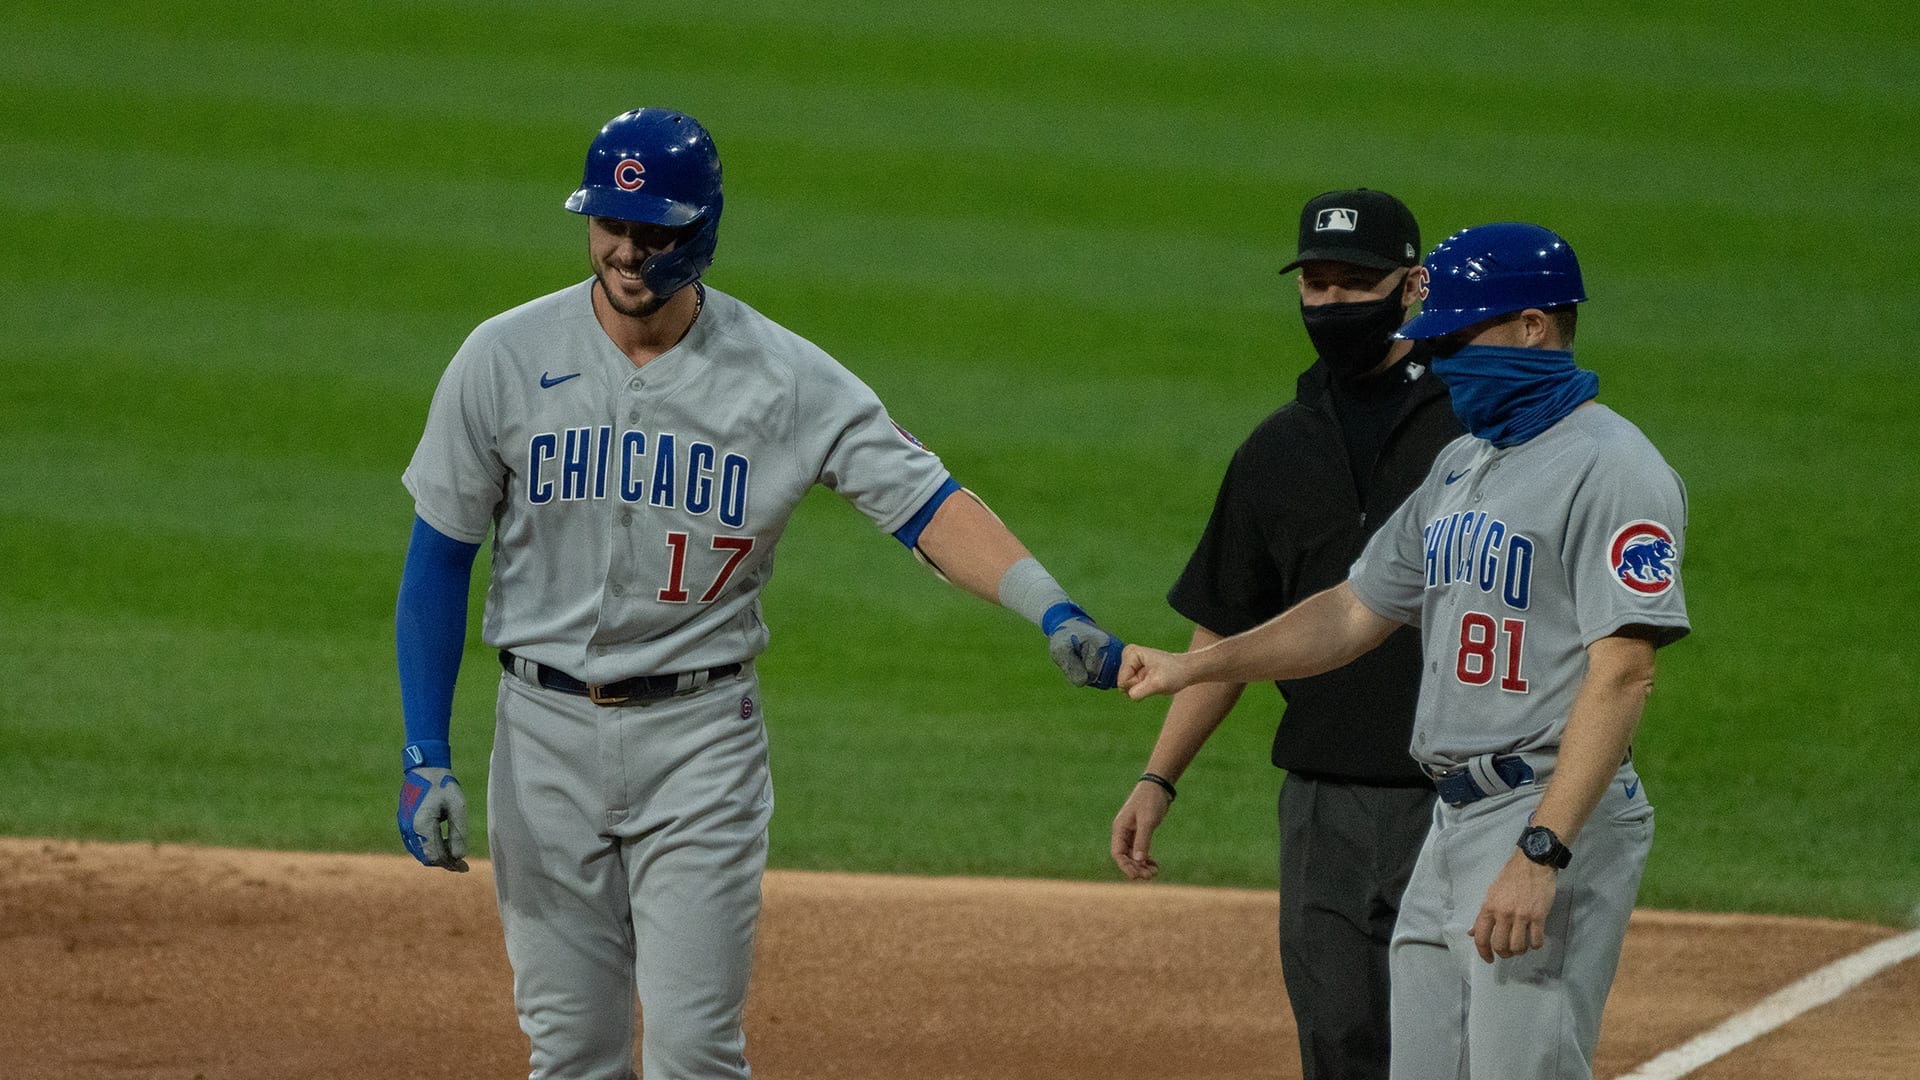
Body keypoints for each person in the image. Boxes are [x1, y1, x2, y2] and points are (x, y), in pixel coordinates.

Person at [392, 107, 1126, 1080]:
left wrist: (1051, 605)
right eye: (610, 224)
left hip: (699, 742)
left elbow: (924, 502)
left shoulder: (781, 377)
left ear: (701, 229)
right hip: (540, 736)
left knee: (695, 1054)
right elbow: (438, 557)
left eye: (652, 229)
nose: (625, 249)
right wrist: (424, 752)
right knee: (570, 1052)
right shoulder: (504, 357)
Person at [1117, 221, 1689, 1080]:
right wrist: (1196, 665)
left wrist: (1543, 852)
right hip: (1450, 821)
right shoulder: (1464, 463)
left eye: (1460, 337)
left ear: (1533, 327)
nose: (1446, 361)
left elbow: (1625, 672)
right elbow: (1351, 612)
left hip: (1543, 810)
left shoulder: (1616, 469)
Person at [1108, 188, 1460, 1080]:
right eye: (1318, 284)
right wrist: (1159, 776)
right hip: (1322, 805)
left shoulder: (1472, 429)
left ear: (1413, 285)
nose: (1335, 304)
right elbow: (1229, 627)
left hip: (1456, 795)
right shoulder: (1278, 449)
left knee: (1447, 1047)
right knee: (1338, 1043)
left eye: (1357, 282)